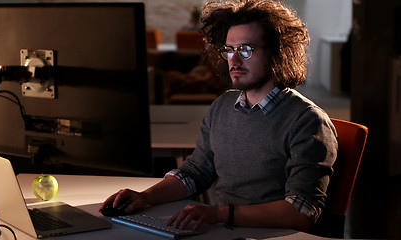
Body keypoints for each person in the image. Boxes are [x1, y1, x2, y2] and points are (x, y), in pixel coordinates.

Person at [100, 0, 338, 232]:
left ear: (277, 53)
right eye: (229, 50)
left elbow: (301, 213)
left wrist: (220, 214)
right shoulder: (222, 105)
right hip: (222, 229)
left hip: (268, 234)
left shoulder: (308, 121)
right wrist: (145, 197)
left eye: (246, 49)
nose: (233, 60)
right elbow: (196, 173)